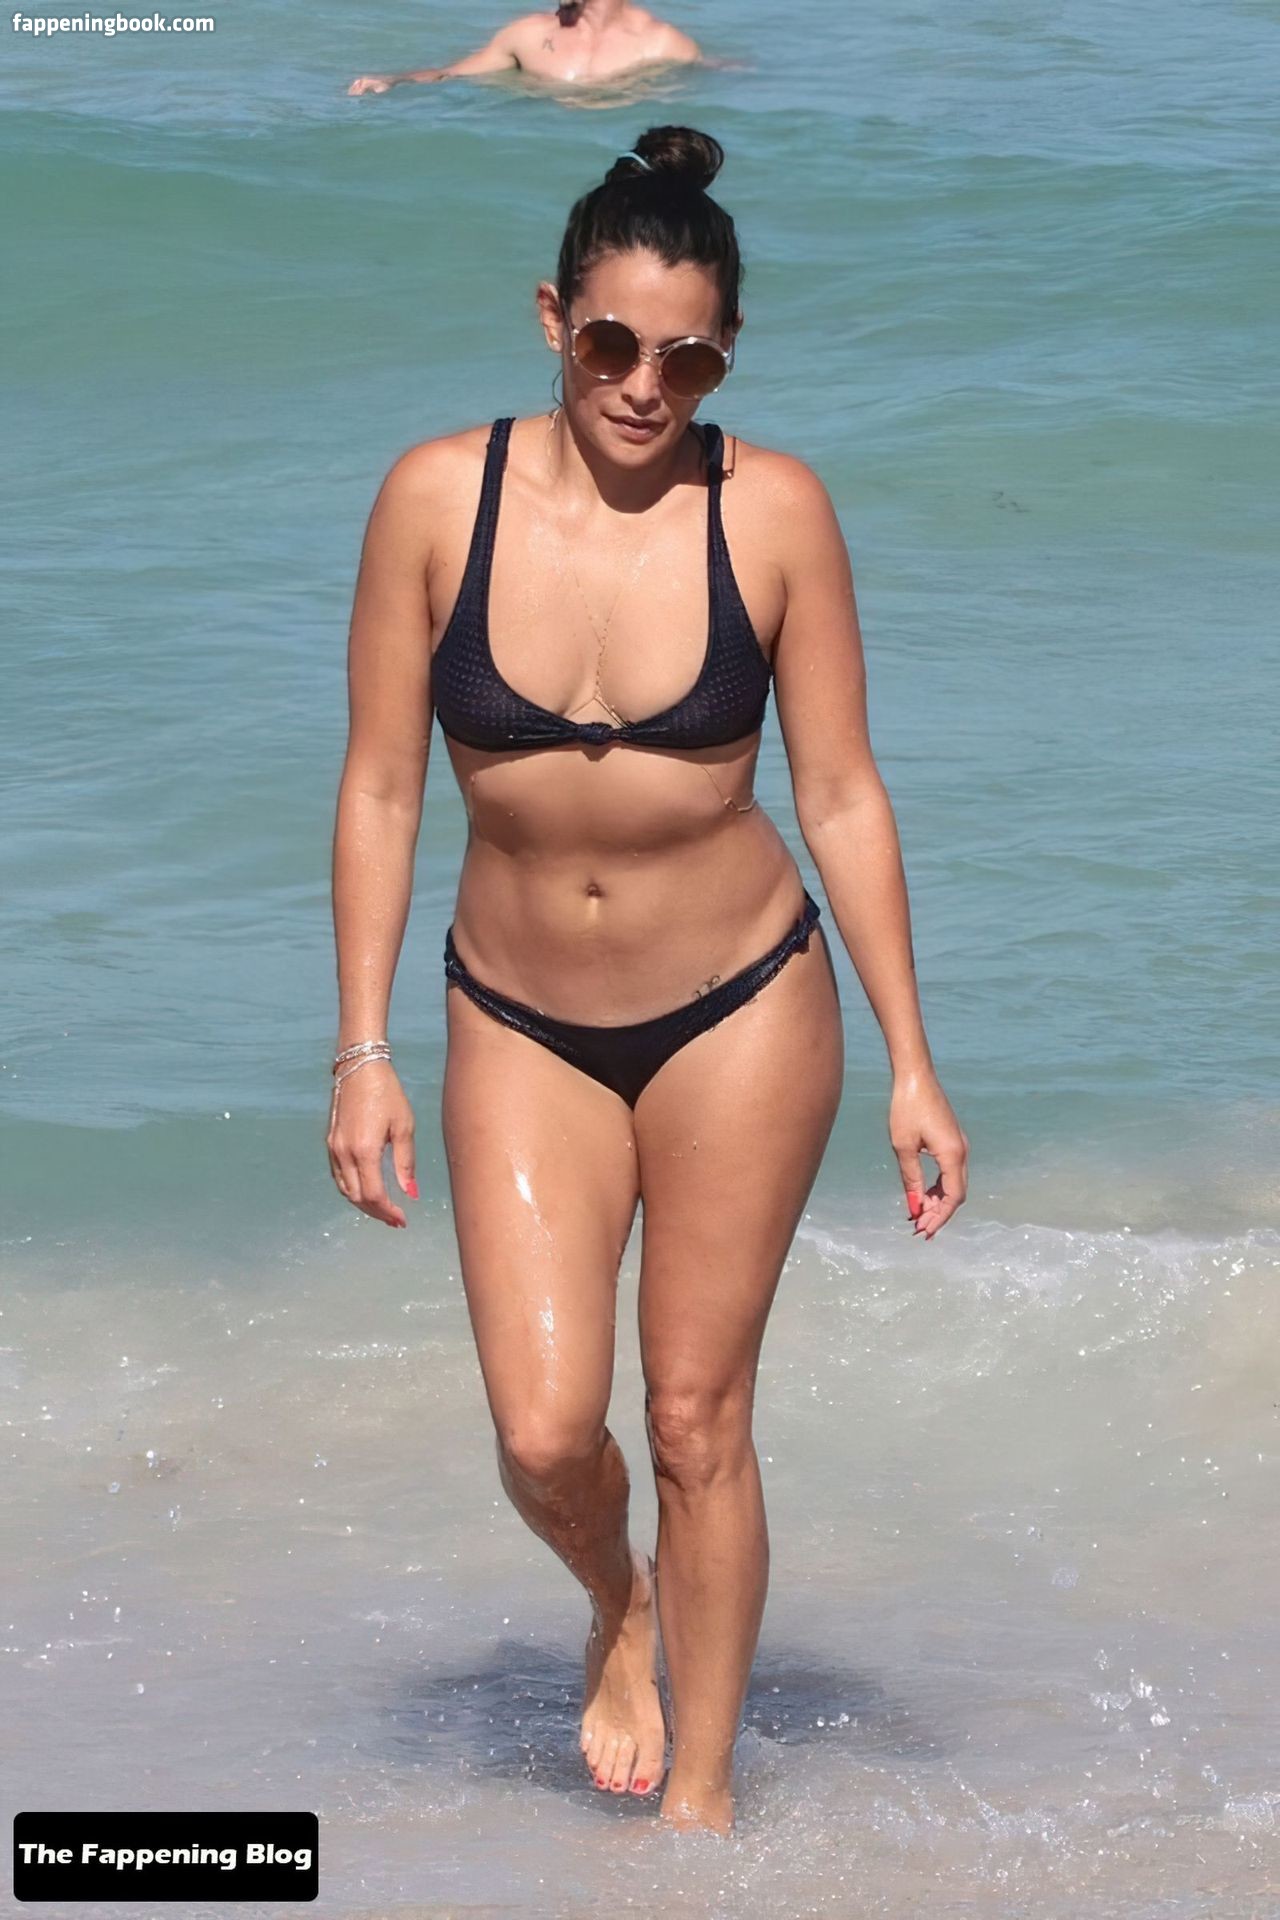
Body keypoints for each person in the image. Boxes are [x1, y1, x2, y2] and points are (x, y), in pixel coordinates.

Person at [327, 124, 969, 1836]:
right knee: (549, 1435)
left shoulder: (774, 514)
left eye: (688, 359)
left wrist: (914, 1061)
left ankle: (702, 1803)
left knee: (695, 1415)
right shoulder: (433, 502)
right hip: (517, 1017)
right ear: (554, 318)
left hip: (741, 1006)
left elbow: (842, 791)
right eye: (613, 343)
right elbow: (382, 787)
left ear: (726, 355)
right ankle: (621, 1604)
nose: (644, 386)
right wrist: (360, 1050)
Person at [348, 0, 701, 95]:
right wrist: (394, 80)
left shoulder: (661, 44)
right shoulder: (528, 35)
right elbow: (449, 73)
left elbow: (709, 78)